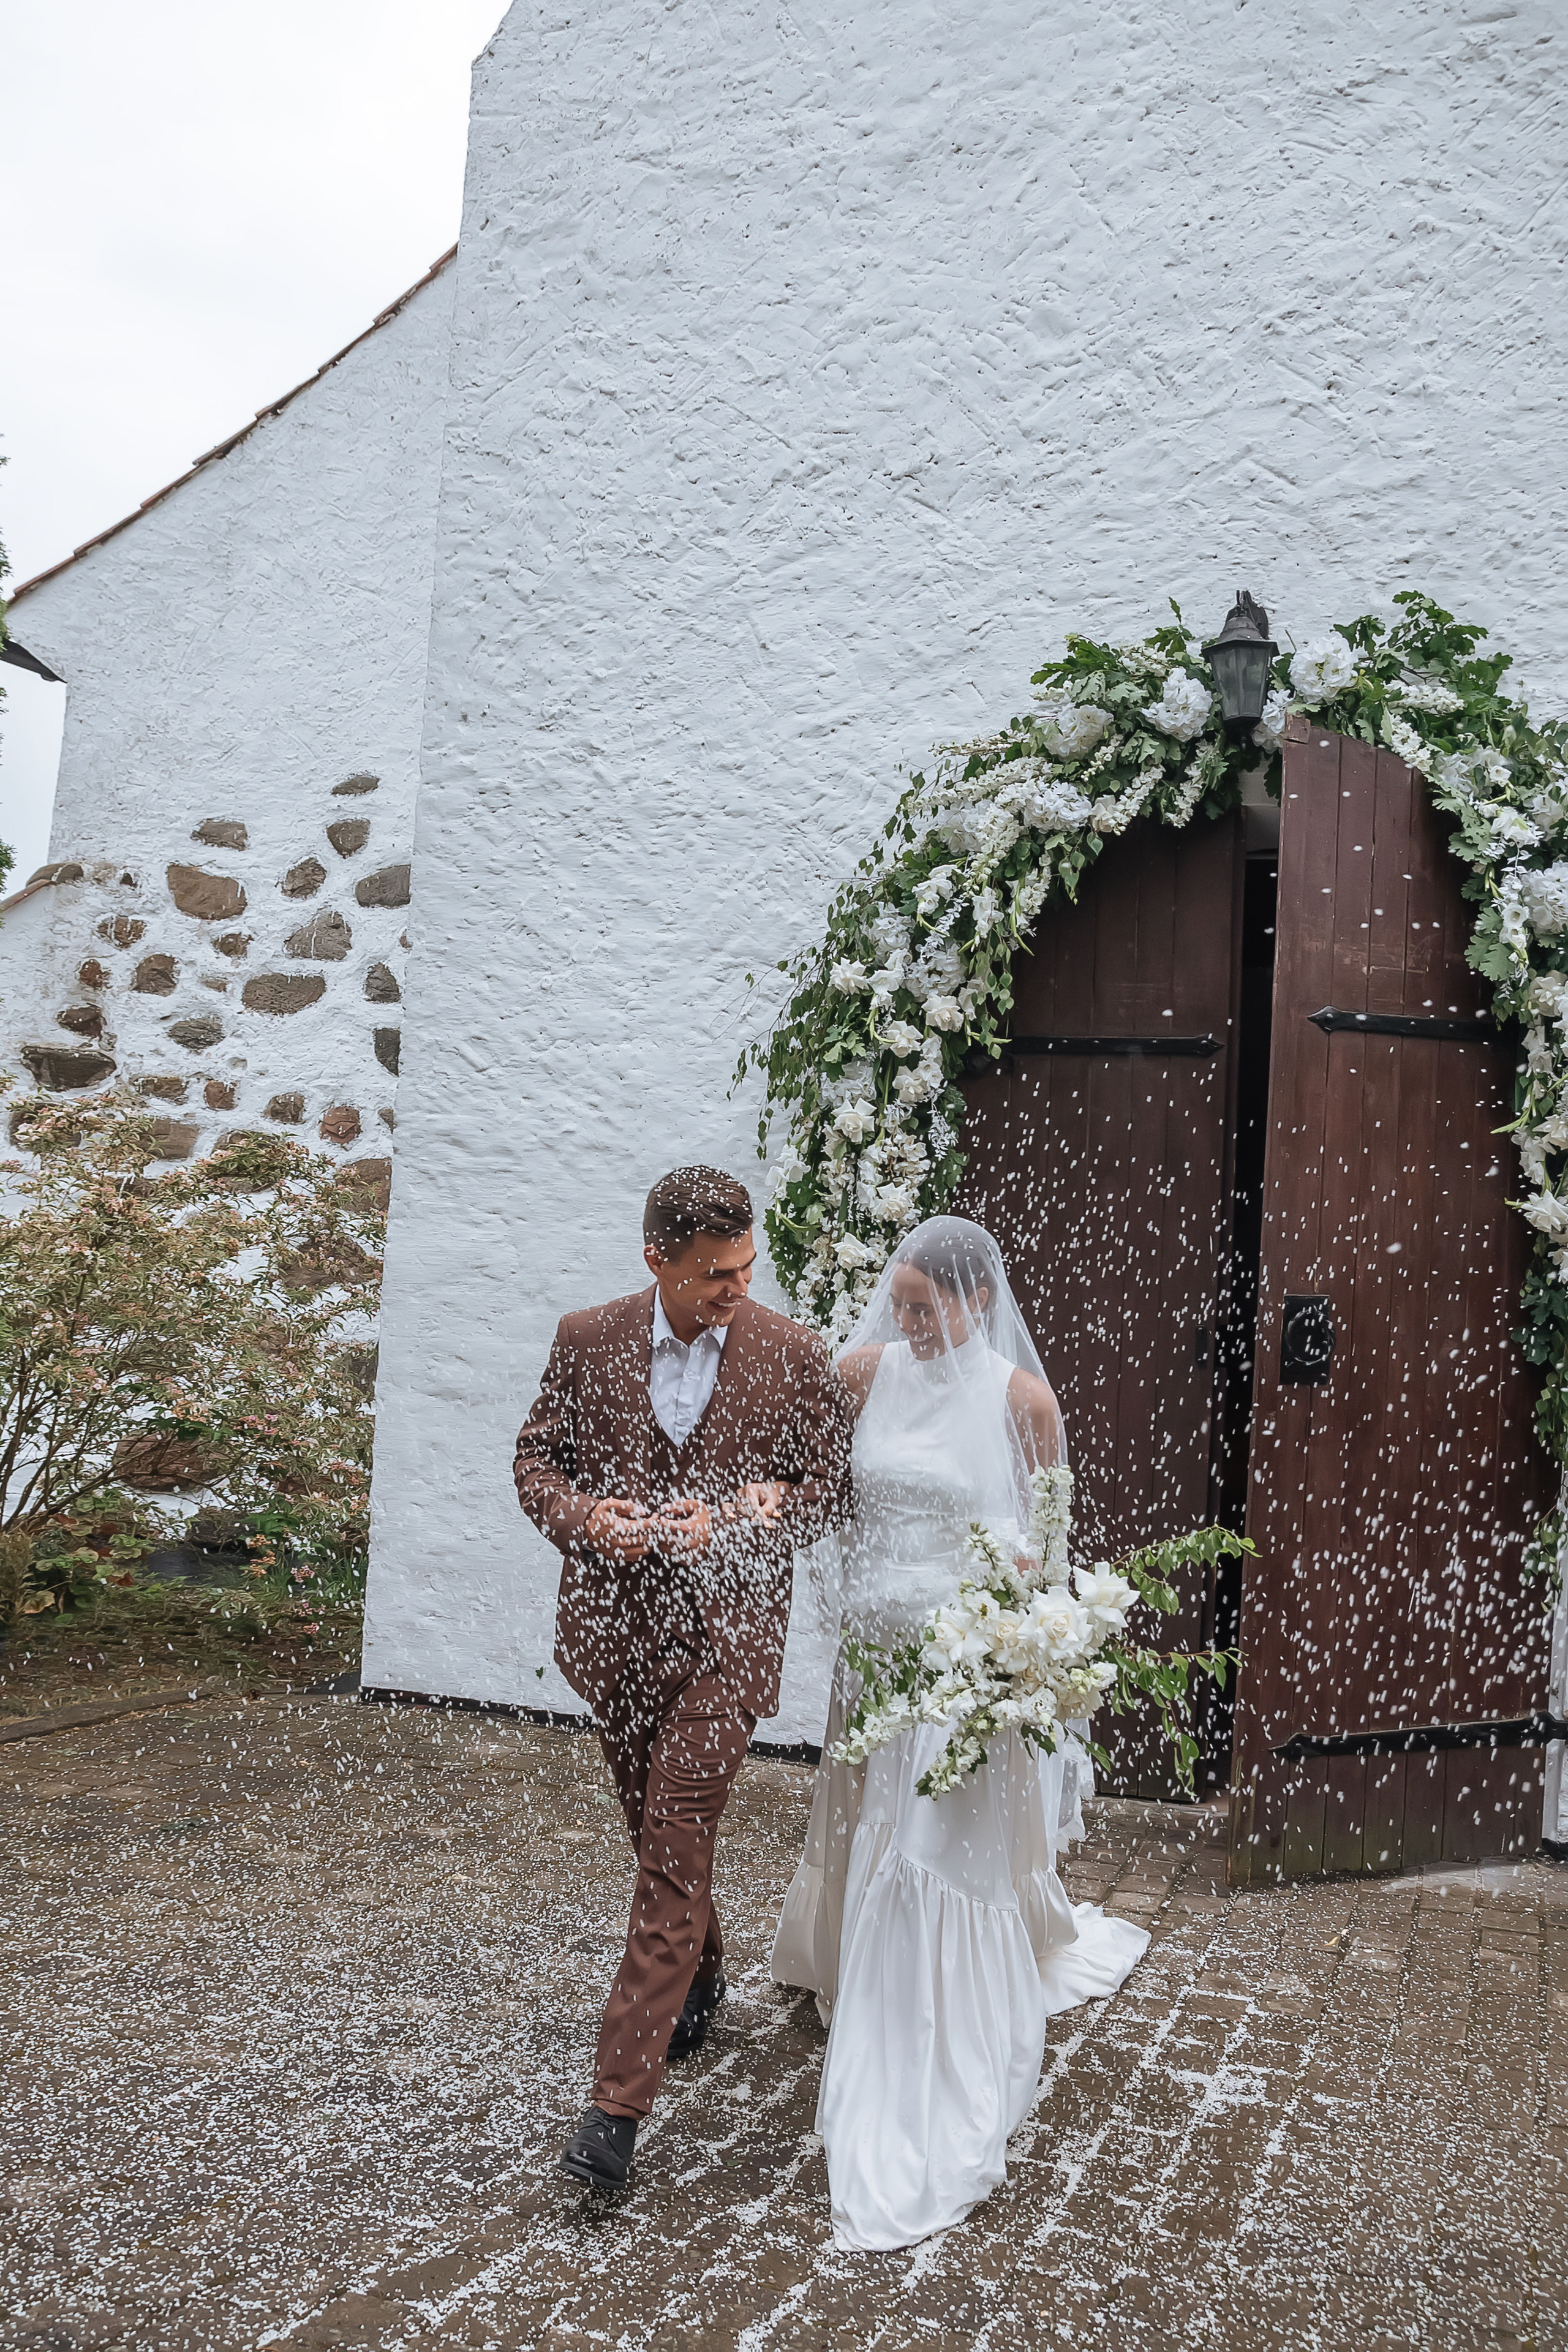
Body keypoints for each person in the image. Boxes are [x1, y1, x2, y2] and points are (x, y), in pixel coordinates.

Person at [771, 1215, 1148, 2251]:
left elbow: (1049, 1544)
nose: (906, 1325)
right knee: (862, 1810)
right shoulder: (862, 1372)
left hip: (957, 1664)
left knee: (926, 1841)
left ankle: (928, 2004)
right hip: (873, 1652)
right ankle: (844, 1956)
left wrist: (1020, 1652)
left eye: (923, 1309)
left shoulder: (1024, 1401)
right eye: (896, 1306)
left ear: (978, 1303)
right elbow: (825, 1500)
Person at [514, 1165, 854, 2191]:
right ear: (656, 1259)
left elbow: (832, 1489)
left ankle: (613, 2116)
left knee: (670, 1850)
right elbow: (536, 1463)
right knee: (656, 1836)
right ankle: (700, 1973)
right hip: (616, 1641)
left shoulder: (793, 1355)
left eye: (747, 1268)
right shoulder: (584, 1339)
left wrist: (756, 1511)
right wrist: (586, 1520)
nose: (737, 1290)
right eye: (715, 1275)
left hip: (727, 1644)